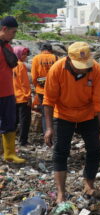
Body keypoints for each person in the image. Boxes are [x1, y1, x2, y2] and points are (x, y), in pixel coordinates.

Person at [43, 42, 100, 203]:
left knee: (94, 150)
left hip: (88, 114)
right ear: (68, 59)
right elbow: (48, 100)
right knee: (60, 151)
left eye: (85, 65)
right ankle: (61, 192)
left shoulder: (95, 69)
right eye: (79, 65)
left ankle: (89, 185)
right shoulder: (56, 69)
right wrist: (49, 128)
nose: (83, 68)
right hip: (63, 114)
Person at [0, 16, 26, 163]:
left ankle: (9, 153)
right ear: (4, 29)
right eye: (13, 32)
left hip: (9, 92)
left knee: (10, 121)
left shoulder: (7, 47)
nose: (14, 35)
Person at [31, 43, 58, 134]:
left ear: (41, 49)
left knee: (44, 113)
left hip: (41, 90)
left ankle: (47, 134)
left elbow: (34, 76)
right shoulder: (55, 57)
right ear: (50, 50)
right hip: (54, 89)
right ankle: (56, 133)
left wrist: (37, 87)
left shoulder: (36, 58)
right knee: (55, 112)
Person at [13, 46, 32, 146]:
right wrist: (28, 97)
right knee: (25, 120)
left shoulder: (10, 64)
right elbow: (24, 83)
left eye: (26, 54)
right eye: (23, 54)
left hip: (12, 97)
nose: (25, 56)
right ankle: (23, 141)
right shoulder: (21, 65)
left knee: (14, 120)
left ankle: (10, 140)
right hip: (22, 98)